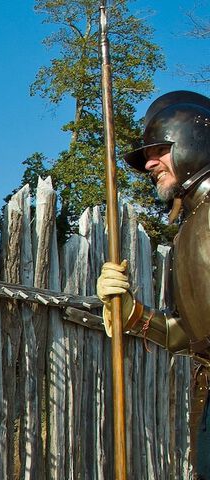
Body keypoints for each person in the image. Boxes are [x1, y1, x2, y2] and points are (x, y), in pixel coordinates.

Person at [96, 90, 210, 478]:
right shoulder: (189, 228)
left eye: (159, 149)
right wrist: (132, 314)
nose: (149, 163)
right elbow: (190, 335)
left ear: (194, 139)